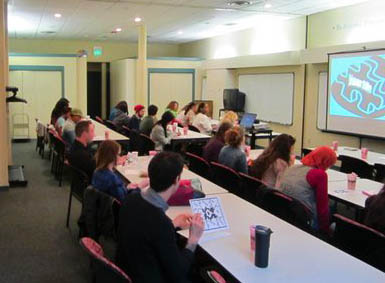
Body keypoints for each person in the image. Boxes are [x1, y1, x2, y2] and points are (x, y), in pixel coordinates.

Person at [116, 151, 204, 282]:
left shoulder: (130, 198)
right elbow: (178, 272)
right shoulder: (160, 222)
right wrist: (193, 239)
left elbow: (146, 231)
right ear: (176, 180)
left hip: (128, 267)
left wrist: (172, 224)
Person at [278, 146, 337, 233]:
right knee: (332, 209)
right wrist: (325, 231)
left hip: (282, 211)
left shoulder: (293, 167)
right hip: (303, 218)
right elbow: (322, 207)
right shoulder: (320, 174)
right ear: (326, 162)